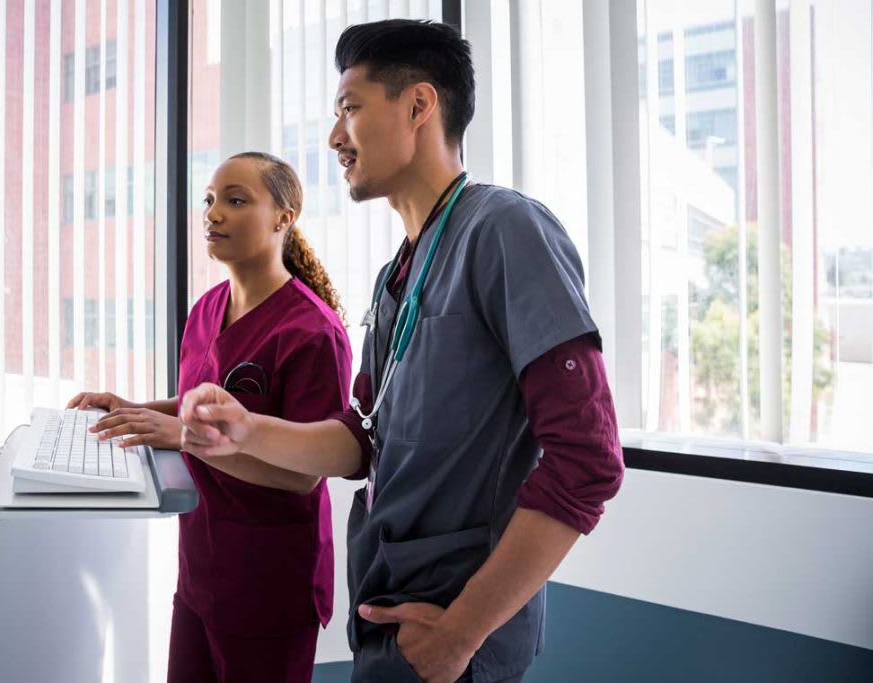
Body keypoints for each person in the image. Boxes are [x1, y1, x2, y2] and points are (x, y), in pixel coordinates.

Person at [180, 20, 624, 683]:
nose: (333, 137)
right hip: (390, 612)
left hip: (453, 634)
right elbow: (360, 442)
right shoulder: (400, 273)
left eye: (349, 109)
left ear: (419, 105)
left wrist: (462, 629)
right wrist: (247, 429)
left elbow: (588, 458)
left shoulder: (506, 231)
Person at [67, 152, 352, 683]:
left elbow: (303, 474)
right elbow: (198, 410)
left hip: (268, 582)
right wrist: (132, 409)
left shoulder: (313, 331)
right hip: (201, 569)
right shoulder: (206, 308)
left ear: (283, 218)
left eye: (236, 201)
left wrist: (183, 438)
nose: (213, 213)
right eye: (211, 200)